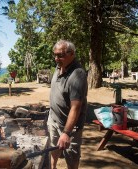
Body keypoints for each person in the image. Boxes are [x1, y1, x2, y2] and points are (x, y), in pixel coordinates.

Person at [47, 40, 88, 169]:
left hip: (70, 127)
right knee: (53, 149)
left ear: (72, 54)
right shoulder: (59, 66)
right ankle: (53, 167)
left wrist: (66, 132)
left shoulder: (77, 74)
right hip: (53, 120)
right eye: (55, 55)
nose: (56, 58)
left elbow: (76, 107)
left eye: (60, 55)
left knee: (71, 157)